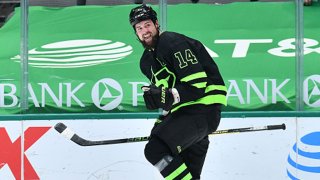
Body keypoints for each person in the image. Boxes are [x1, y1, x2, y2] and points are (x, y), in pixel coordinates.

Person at [129, 4, 227, 180]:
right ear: (135, 32)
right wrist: (162, 119)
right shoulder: (146, 62)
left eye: (147, 24)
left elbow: (197, 84)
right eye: (139, 28)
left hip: (203, 109)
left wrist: (167, 96)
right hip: (186, 115)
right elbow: (169, 98)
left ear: (157, 24)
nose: (145, 31)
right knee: (187, 173)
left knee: (155, 150)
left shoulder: (172, 41)